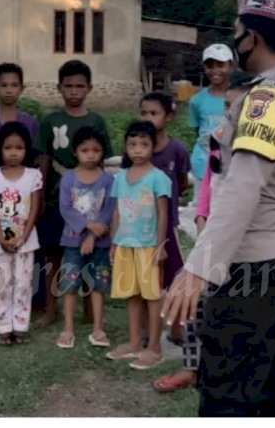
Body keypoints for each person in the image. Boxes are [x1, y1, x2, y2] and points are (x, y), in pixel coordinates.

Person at [163, 0, 275, 416]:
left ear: (251, 38)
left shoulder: (266, 98)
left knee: (230, 393)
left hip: (250, 266)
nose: (237, 43)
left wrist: (200, 266)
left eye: (238, 34)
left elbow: (243, 187)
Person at [153, 80, 248, 393]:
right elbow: (208, 184)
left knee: (238, 309)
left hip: (246, 242)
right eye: (227, 106)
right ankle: (190, 368)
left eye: (239, 107)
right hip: (211, 234)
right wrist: (201, 217)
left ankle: (233, 369)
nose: (231, 113)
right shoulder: (218, 140)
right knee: (196, 303)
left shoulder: (257, 148)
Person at [33, 60, 113, 327]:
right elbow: (44, 159)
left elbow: (103, 162)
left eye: (80, 86)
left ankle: (90, 309)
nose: (74, 91)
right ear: (59, 88)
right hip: (59, 199)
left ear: (89, 88)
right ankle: (50, 308)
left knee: (91, 252)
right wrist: (41, 194)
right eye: (68, 86)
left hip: (92, 200)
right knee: (55, 255)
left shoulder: (96, 121)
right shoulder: (51, 120)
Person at [106, 121, 171, 370]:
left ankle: (153, 347)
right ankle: (134, 343)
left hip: (148, 246)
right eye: (132, 144)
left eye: (144, 144)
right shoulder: (120, 177)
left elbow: (163, 214)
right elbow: (116, 212)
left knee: (152, 296)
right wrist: (114, 242)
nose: (138, 150)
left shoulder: (159, 178)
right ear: (126, 147)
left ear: (153, 147)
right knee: (131, 294)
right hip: (124, 244)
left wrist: (161, 244)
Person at [0, 121, 42, 345]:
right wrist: (0, 238)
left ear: (26, 149)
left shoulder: (33, 176)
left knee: (23, 283)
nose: (14, 153)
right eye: (8, 148)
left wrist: (24, 236)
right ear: (0, 149)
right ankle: (3, 326)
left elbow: (35, 207)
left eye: (19, 148)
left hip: (26, 240)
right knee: (2, 284)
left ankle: (20, 325)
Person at [55, 126, 114, 350]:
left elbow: (109, 210)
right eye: (84, 150)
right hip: (71, 242)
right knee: (70, 285)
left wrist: (93, 236)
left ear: (103, 153)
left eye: (96, 150)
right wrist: (88, 227)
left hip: (100, 243)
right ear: (75, 151)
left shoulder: (108, 180)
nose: (90, 155)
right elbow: (66, 209)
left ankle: (98, 329)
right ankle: (67, 329)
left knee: (99, 285)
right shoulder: (69, 178)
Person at [139, 91, 191, 344]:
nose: (148, 118)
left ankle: (178, 329)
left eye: (154, 113)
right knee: (145, 281)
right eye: (144, 113)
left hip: (167, 226)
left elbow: (181, 183)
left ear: (168, 117)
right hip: (141, 228)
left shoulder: (177, 150)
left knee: (175, 279)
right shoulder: (136, 150)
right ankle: (147, 330)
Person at [188, 44, 233, 206]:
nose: (215, 70)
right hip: (203, 161)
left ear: (231, 66)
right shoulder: (197, 100)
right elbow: (198, 130)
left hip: (230, 163)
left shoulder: (238, 98)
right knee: (203, 207)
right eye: (210, 65)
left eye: (220, 65)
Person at [0, 63, 39, 170]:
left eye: (14, 85)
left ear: (21, 88)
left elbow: (36, 157)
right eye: (3, 85)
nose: (9, 91)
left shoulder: (30, 123)